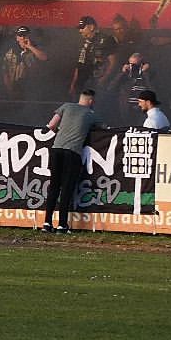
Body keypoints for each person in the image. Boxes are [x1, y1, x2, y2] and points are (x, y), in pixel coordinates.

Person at [42, 88, 103, 234]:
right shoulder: (91, 114)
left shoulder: (66, 106)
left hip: (56, 149)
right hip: (72, 152)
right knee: (67, 188)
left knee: (54, 186)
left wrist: (63, 132)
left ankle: (47, 223)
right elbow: (103, 128)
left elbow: (51, 125)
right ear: (91, 101)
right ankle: (62, 224)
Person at [69, 16, 114, 99]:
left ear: (91, 27)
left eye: (82, 28)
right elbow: (79, 65)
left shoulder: (106, 40)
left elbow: (113, 63)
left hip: (97, 83)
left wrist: (103, 79)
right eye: (79, 28)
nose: (80, 31)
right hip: (82, 84)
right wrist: (73, 83)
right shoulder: (83, 43)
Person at [3, 25, 48, 99]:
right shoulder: (10, 53)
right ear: (17, 38)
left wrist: (29, 47)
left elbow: (44, 58)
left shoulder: (35, 49)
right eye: (20, 35)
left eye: (25, 35)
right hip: (15, 87)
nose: (23, 38)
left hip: (32, 88)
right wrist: (10, 89)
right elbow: (5, 72)